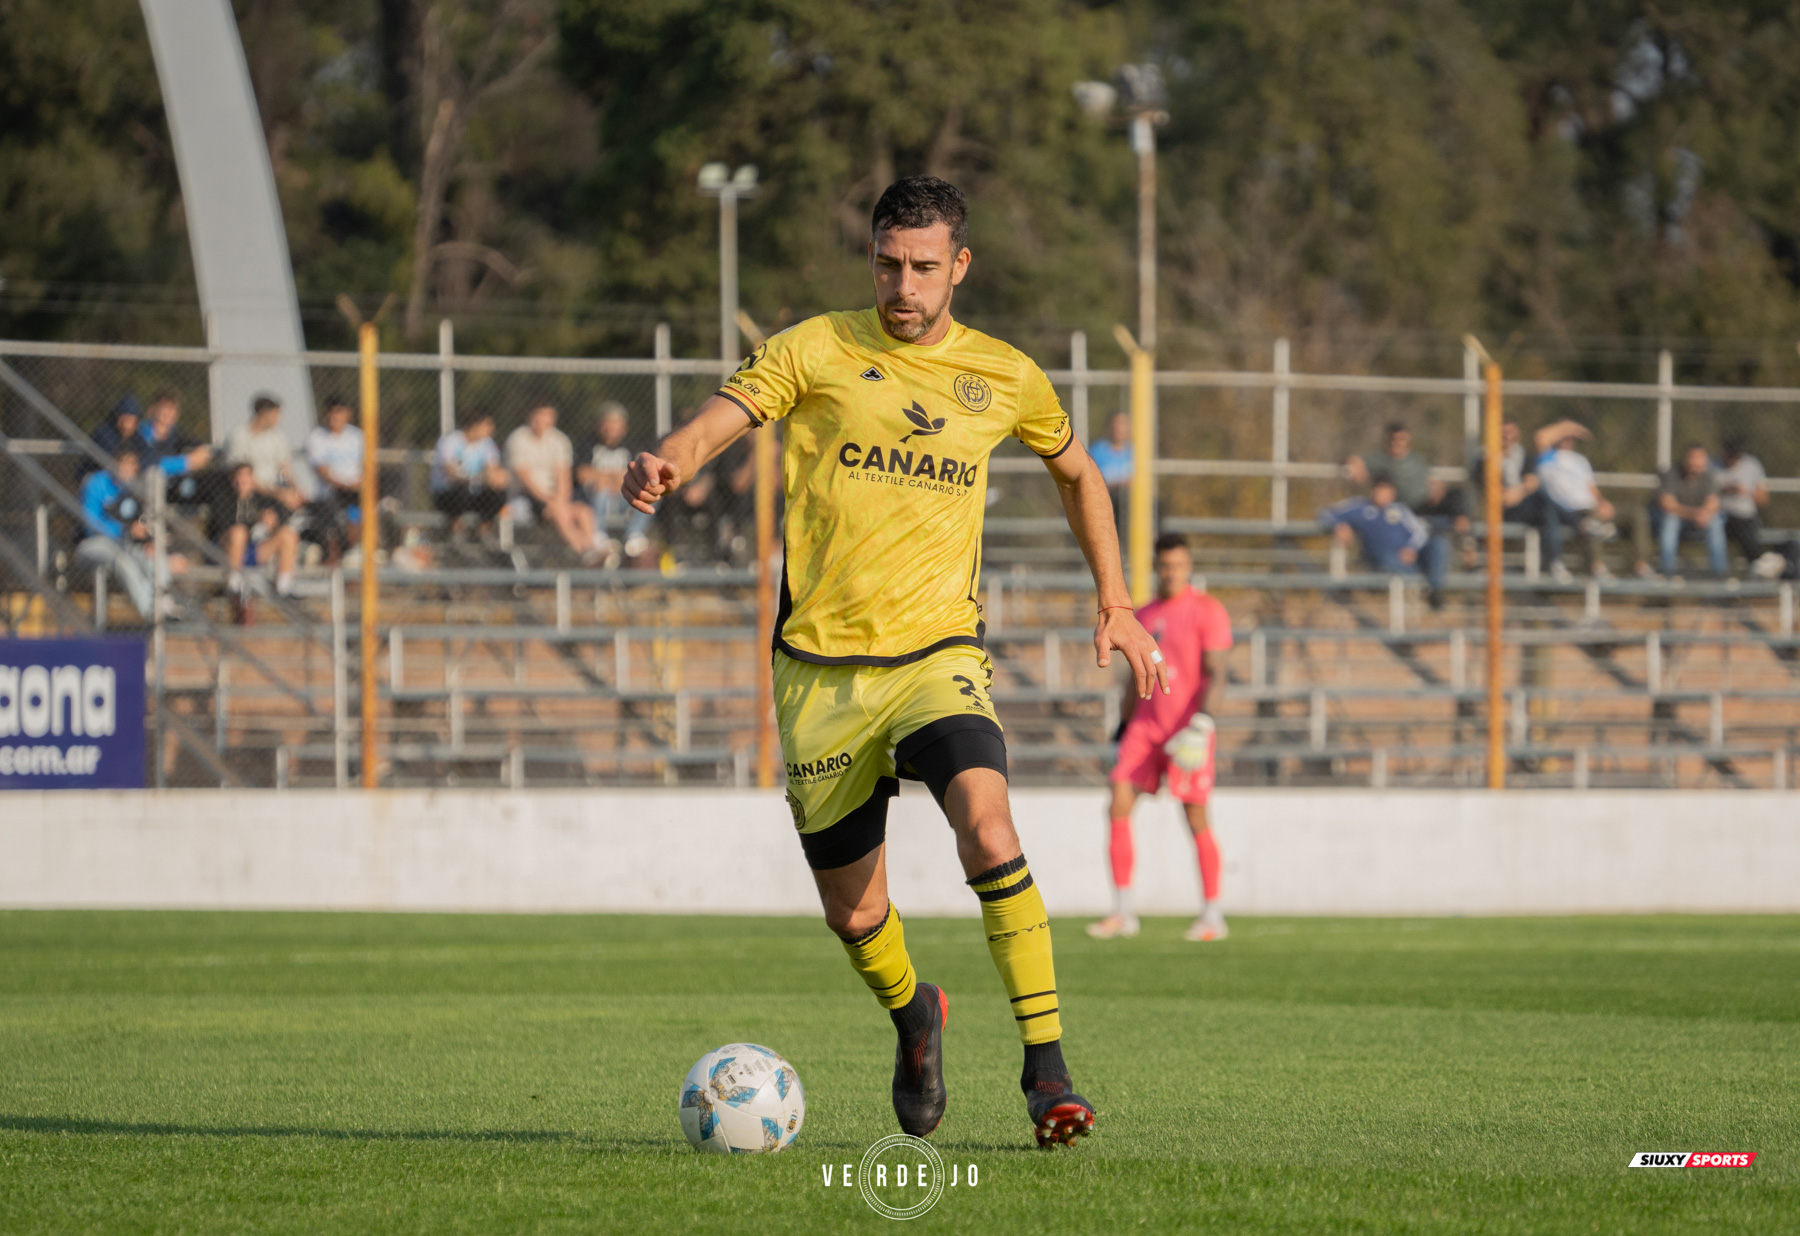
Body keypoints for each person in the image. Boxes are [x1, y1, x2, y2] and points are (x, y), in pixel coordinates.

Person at [624, 176, 1164, 1149]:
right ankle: (918, 1018)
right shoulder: (817, 347)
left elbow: (1078, 472)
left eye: (923, 267)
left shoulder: (1004, 375)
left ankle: (1048, 1069)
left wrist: (1116, 601)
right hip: (820, 675)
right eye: (887, 263)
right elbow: (723, 416)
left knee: (988, 828)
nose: (902, 286)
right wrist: (671, 458)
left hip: (937, 657)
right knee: (856, 911)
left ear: (959, 266)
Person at [1088, 534, 1233, 943]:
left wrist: (1203, 724)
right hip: (1145, 729)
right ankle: (1123, 912)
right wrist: (1121, 727)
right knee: (1117, 802)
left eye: (1177, 565)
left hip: (1187, 730)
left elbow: (1217, 673)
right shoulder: (1144, 614)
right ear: (1156, 566)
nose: (1170, 572)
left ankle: (1212, 915)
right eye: (1164, 565)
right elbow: (1135, 678)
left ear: (1189, 566)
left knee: (1195, 816)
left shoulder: (1208, 610)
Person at [75, 448, 187, 620]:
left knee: (153, 556)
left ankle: (164, 603)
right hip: (91, 545)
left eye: (131, 465)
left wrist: (149, 541)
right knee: (123, 561)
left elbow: (141, 523)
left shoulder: (134, 487)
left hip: (124, 545)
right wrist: (124, 530)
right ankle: (151, 613)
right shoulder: (95, 483)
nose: (126, 469)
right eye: (122, 464)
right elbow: (90, 526)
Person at [1346, 421, 1472, 567]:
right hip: (1403, 511)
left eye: (1402, 439)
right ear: (1387, 440)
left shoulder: (1416, 459)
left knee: (1458, 495)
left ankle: (1467, 543)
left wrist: (1436, 489)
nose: (1398, 443)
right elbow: (1355, 463)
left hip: (1426, 503)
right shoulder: (1380, 459)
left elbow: (1428, 478)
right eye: (1394, 439)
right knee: (1433, 539)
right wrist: (1352, 466)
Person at [505, 404, 603, 562]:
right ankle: (585, 552)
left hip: (554, 498)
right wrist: (549, 500)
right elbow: (524, 479)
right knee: (559, 512)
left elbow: (563, 476)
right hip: (527, 497)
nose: (542, 420)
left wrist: (560, 500)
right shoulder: (518, 438)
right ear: (530, 416)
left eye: (547, 415)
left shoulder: (559, 440)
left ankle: (591, 549)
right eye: (539, 415)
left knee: (584, 512)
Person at [1318, 480, 1446, 600]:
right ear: (1372, 491)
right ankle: (1422, 583)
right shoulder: (1361, 508)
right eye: (1378, 490)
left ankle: (1433, 590)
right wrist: (1338, 525)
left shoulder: (1401, 510)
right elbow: (1326, 512)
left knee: (1439, 543)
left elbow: (1421, 533)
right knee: (1387, 558)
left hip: (1408, 559)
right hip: (1382, 561)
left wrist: (1411, 548)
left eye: (1385, 490)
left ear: (1392, 493)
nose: (1381, 494)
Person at [211, 461, 300, 622]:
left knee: (288, 534)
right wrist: (256, 519)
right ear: (232, 480)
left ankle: (284, 588)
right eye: (238, 478)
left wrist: (272, 522)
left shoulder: (261, 499)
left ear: (253, 480)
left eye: (246, 478)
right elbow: (224, 526)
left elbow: (283, 516)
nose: (242, 482)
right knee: (239, 533)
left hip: (253, 550)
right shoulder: (223, 497)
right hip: (227, 550)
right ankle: (234, 587)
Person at [1533, 419, 1617, 581]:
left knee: (1634, 513)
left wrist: (1602, 502)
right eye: (1563, 436)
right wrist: (1568, 427)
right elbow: (1541, 436)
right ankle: (1596, 566)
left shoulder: (1580, 460)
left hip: (1588, 505)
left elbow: (1591, 487)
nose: (1567, 439)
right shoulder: (1549, 457)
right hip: (1566, 507)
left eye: (1569, 437)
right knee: (1590, 520)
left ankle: (1641, 565)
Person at [576, 403, 653, 560]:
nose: (611, 427)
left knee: (653, 491)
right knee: (600, 489)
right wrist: (612, 478)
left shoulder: (632, 446)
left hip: (624, 498)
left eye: (616, 423)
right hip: (596, 499)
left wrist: (609, 478)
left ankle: (634, 535)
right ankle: (600, 538)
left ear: (624, 427)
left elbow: (637, 474)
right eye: (607, 422)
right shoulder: (588, 444)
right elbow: (582, 474)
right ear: (599, 424)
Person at [1651, 443, 1726, 579]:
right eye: (1692, 458)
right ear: (1685, 458)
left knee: (1716, 521)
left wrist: (1704, 514)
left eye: (1700, 458)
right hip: (1675, 518)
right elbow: (1667, 505)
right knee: (1670, 521)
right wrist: (1695, 514)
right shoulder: (1671, 474)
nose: (1695, 462)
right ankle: (1667, 572)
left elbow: (1713, 503)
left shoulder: (1709, 476)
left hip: (1698, 520)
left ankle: (1719, 574)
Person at [1717, 436, 1786, 579]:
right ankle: (1758, 562)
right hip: (1718, 516)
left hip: (1745, 517)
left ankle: (1759, 565)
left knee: (1744, 525)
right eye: (1729, 456)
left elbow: (1764, 499)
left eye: (1736, 457)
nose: (1732, 460)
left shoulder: (1752, 465)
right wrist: (1723, 490)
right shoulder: (1711, 464)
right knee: (1717, 527)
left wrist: (1744, 491)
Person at [304, 398, 364, 560]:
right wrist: (346, 484)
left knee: (365, 507)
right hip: (331, 493)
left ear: (348, 415)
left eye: (339, 414)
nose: (335, 419)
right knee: (340, 515)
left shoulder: (358, 436)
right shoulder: (316, 437)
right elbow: (322, 471)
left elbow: (369, 466)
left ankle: (357, 549)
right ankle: (344, 552)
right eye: (332, 414)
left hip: (356, 491)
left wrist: (359, 483)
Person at [223, 395, 306, 512]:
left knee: (305, 503)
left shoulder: (278, 437)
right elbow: (241, 477)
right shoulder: (239, 436)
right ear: (264, 414)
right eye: (276, 414)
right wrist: (277, 493)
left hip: (274, 488)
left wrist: (297, 490)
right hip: (250, 491)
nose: (279, 419)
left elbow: (285, 469)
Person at [430, 412, 510, 529]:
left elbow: (493, 471)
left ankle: (483, 532)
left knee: (498, 494)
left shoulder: (487, 444)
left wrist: (498, 477)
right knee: (460, 492)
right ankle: (456, 533)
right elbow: (451, 473)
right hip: (447, 493)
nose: (492, 429)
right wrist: (480, 478)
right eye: (487, 425)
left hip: (474, 492)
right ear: (475, 426)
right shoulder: (450, 441)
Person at [1088, 410, 1134, 532]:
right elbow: (1093, 482)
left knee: (1157, 506)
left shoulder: (1134, 451)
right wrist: (1119, 484)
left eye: (1123, 424)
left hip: (1131, 500)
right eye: (1116, 424)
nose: (1119, 428)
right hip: (1108, 498)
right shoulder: (1098, 450)